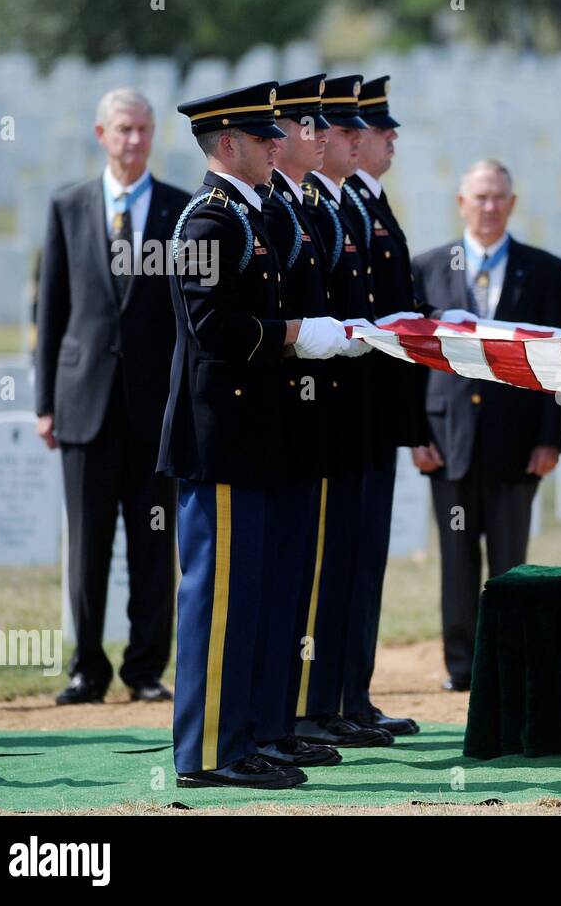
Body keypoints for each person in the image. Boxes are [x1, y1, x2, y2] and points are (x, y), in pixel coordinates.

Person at [161, 81, 351, 788]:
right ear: (229, 144)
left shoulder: (250, 215)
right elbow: (212, 330)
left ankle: (250, 733)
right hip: (222, 438)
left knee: (254, 598)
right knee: (219, 600)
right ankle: (208, 750)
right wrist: (297, 335)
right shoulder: (209, 222)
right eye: (265, 137)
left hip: (253, 435)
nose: (281, 146)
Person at [35, 87, 190, 706]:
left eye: (144, 129)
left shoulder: (180, 212)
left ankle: (146, 668)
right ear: (102, 134)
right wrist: (45, 399)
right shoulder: (68, 207)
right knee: (88, 542)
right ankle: (86, 669)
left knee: (153, 542)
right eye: (123, 129)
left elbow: (185, 319)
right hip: (84, 403)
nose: (134, 140)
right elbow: (52, 309)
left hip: (154, 411)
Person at [411, 159, 561, 692]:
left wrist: (551, 437)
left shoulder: (545, 269)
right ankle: (461, 667)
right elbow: (410, 358)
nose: (489, 206)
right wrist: (414, 434)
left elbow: (559, 361)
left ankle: (510, 661)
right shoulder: (427, 267)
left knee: (510, 562)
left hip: (518, 441)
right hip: (446, 440)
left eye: (499, 196)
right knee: (457, 562)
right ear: (461, 203)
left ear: (513, 202)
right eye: (479, 197)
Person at [292, 74, 396, 749]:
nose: (353, 139)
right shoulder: (312, 209)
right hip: (325, 416)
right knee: (325, 567)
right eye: (338, 128)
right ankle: (313, 703)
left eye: (359, 128)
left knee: (354, 563)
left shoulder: (346, 205)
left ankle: (343, 695)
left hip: (361, 412)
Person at [251, 73, 344, 769]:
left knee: (291, 577)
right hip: (276, 416)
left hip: (305, 416)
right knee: (273, 577)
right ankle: (264, 721)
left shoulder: (290, 206)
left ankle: (278, 719)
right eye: (298, 127)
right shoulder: (271, 210)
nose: (310, 136)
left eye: (313, 126)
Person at [341, 74, 423, 736]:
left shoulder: (370, 202)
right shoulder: (344, 207)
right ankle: (336, 700)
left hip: (375, 417)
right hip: (351, 415)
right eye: (378, 127)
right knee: (345, 562)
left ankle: (351, 695)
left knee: (364, 561)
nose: (392, 136)